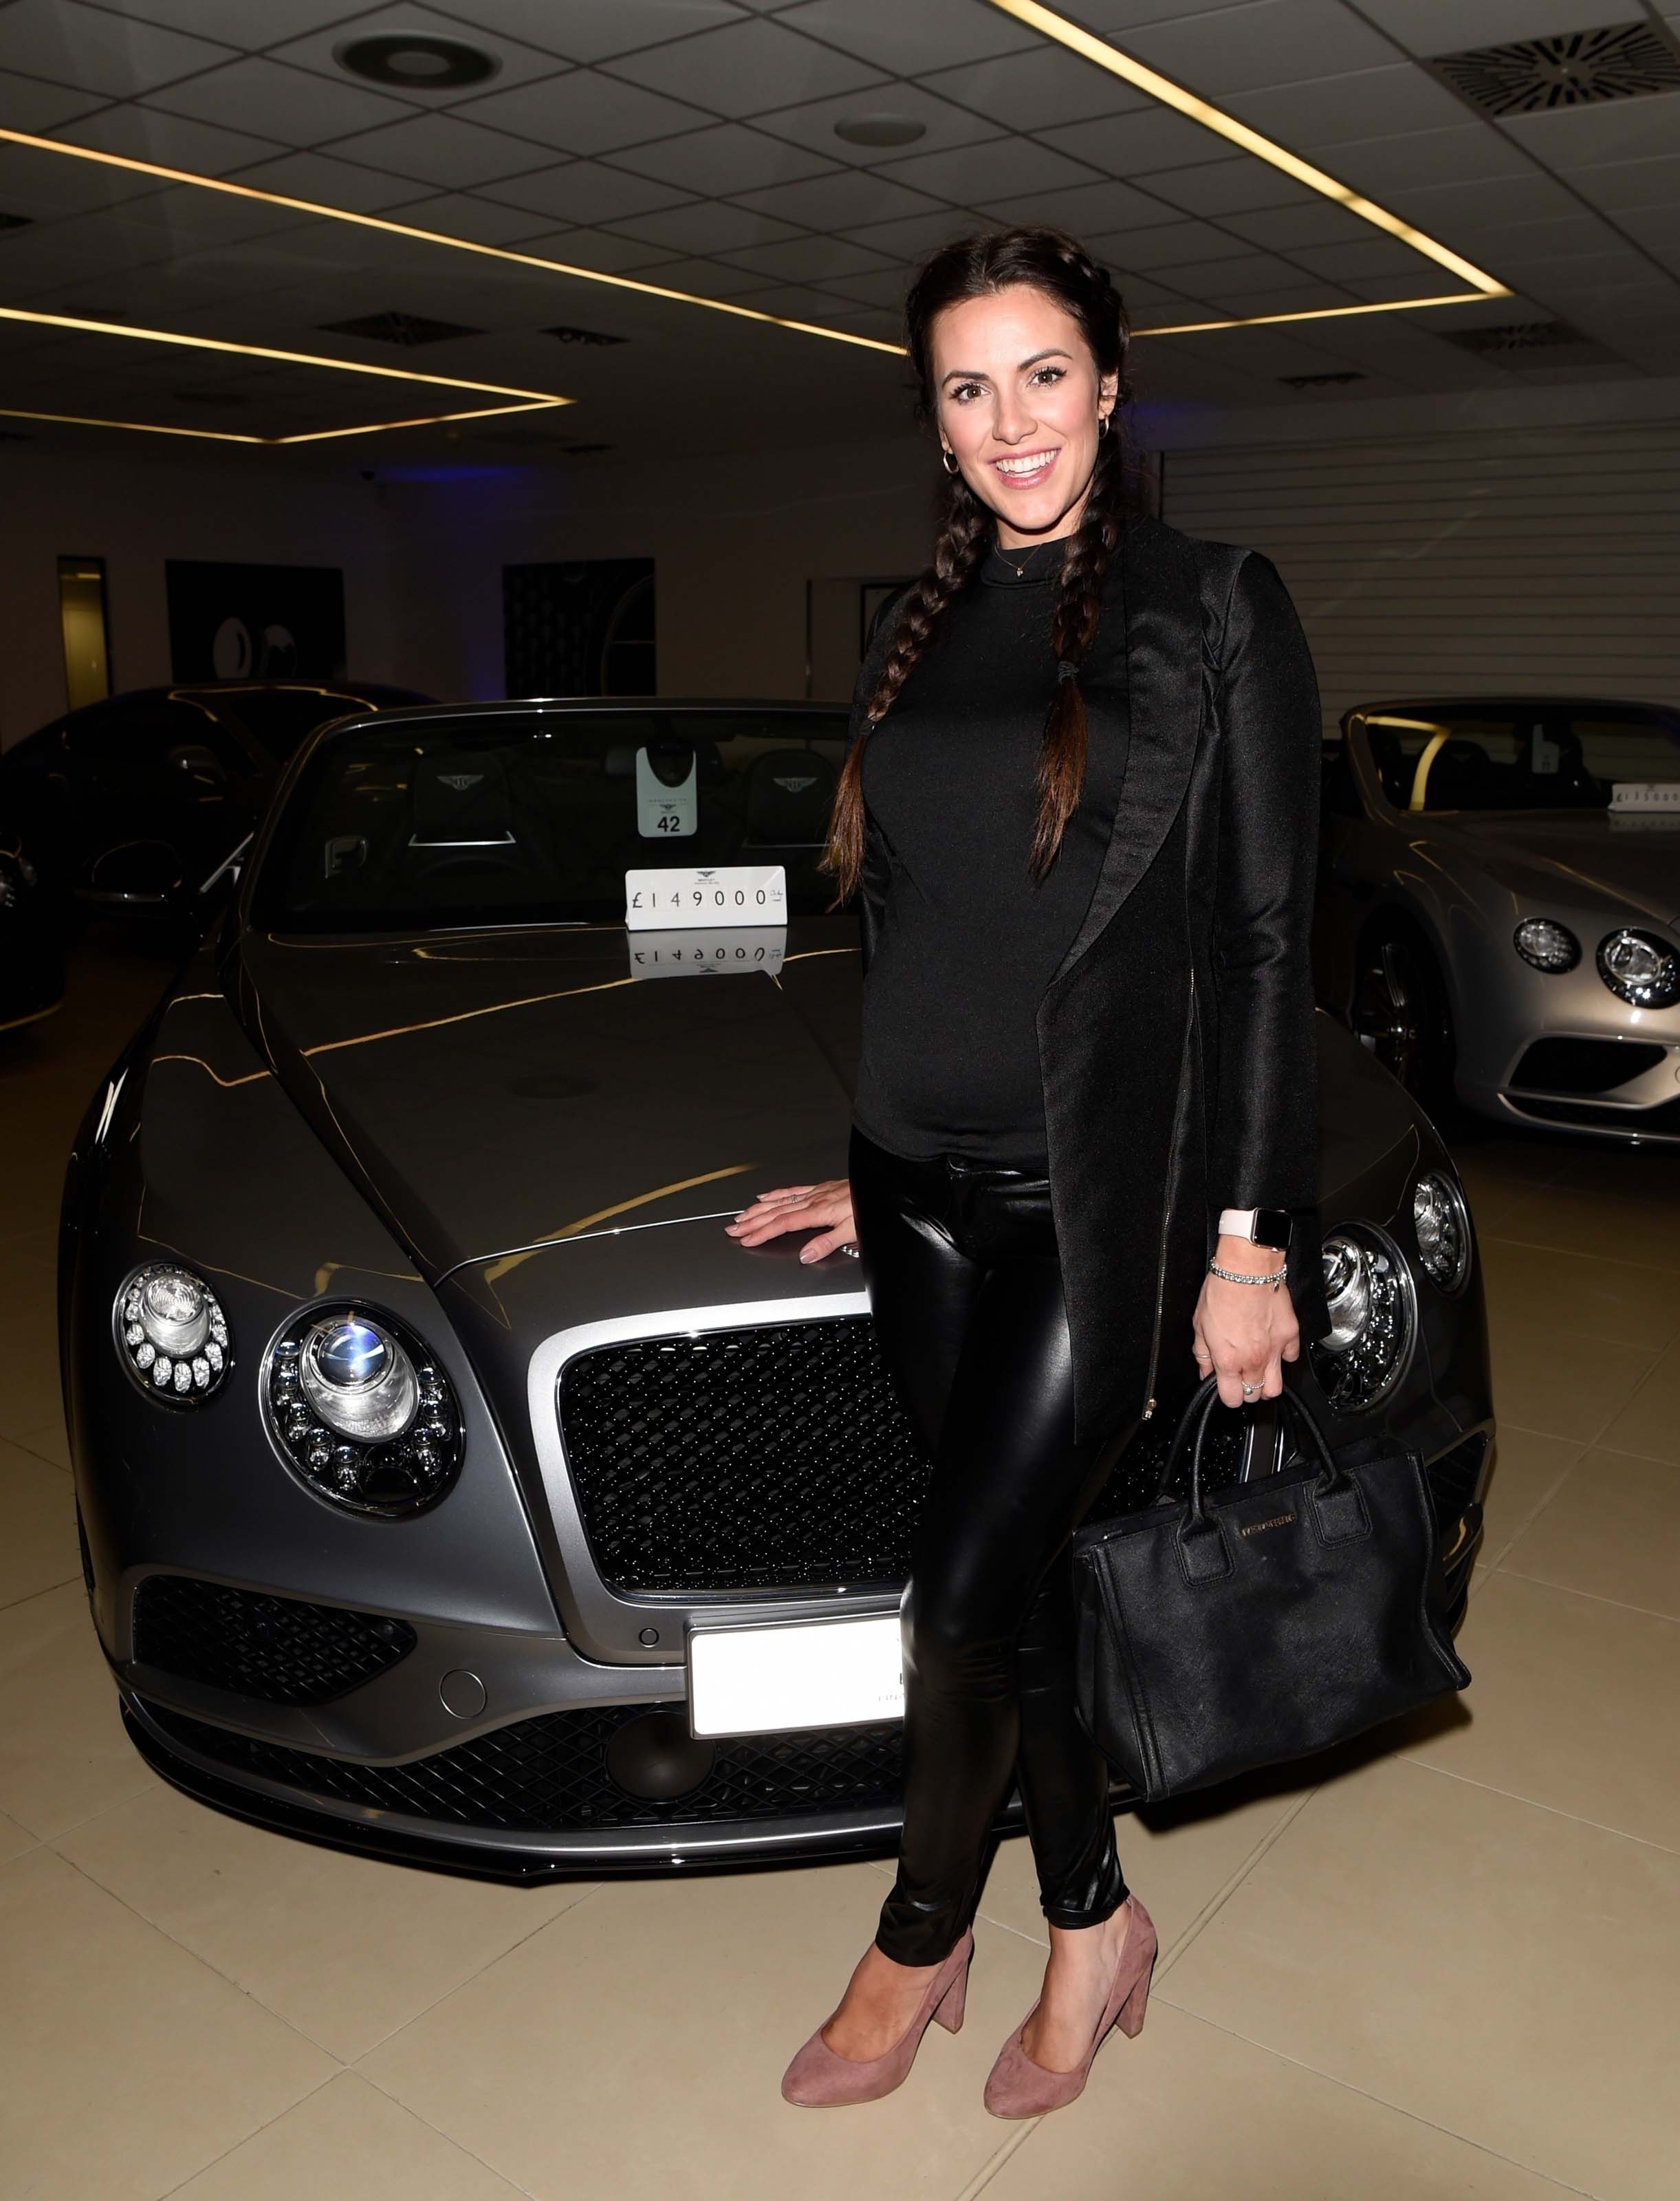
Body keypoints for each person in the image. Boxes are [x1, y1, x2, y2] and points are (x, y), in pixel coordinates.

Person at [726, 225, 1325, 2118]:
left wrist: (1249, 1242)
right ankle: (1090, 1920)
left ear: (1112, 385)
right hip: (911, 1182)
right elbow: (918, 922)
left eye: (1044, 373)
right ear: (935, 421)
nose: (1010, 422)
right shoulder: (911, 629)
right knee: (1029, 1585)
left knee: (953, 1604)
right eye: (967, 389)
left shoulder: (1213, 605)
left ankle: (918, 1934)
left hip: (1101, 1199)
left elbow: (1262, 947)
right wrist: (875, 1154)